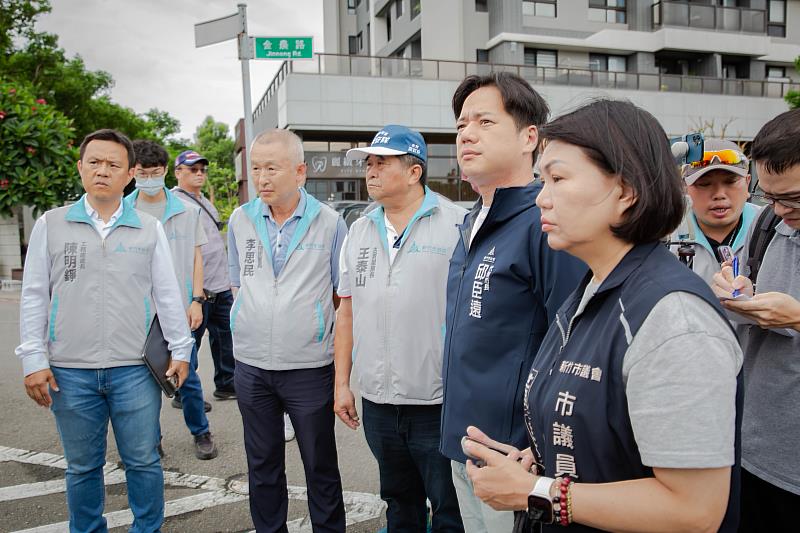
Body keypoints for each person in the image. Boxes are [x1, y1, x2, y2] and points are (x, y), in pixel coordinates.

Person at [464, 99, 743, 532]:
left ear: (626, 191)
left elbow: (694, 510)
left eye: (557, 178)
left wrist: (535, 492)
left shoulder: (675, 321)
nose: (541, 198)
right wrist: (536, 459)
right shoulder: (591, 289)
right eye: (542, 180)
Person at [15, 129, 195, 532]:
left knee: (143, 461)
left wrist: (181, 349)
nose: (102, 171)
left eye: (113, 165)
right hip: (69, 373)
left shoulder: (148, 229)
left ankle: (147, 528)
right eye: (94, 162)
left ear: (129, 174)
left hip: (134, 370)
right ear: (80, 168)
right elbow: (33, 297)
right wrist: (33, 359)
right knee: (82, 467)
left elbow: (168, 294)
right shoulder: (52, 224)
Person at [440, 72, 587, 532]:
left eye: (485, 121)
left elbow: (573, 344)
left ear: (530, 138)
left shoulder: (544, 223)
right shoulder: (473, 221)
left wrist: (538, 447)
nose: (467, 133)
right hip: (463, 444)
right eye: (462, 124)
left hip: (514, 458)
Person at [334, 125, 466, 532]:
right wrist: (342, 383)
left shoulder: (457, 223)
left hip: (437, 400)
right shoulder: (359, 230)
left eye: (381, 162)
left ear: (414, 171)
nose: (370, 171)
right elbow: (347, 311)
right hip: (378, 401)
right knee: (398, 502)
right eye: (368, 163)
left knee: (449, 508)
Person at [228, 129, 348, 532]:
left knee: (319, 464)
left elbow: (338, 294)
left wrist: (309, 325)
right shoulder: (241, 220)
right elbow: (237, 283)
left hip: (310, 367)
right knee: (261, 464)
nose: (262, 178)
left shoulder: (330, 223)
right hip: (251, 366)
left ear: (299, 172)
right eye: (256, 168)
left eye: (272, 168)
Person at [711, 108, 800, 531]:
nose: (781, 210)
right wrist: (737, 292)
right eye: (770, 196)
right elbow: (745, 280)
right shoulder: (767, 225)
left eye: (794, 198)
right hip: (752, 451)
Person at [127, 140, 218, 460]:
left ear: (165, 171)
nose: (148, 178)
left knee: (187, 375)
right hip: (137, 312)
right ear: (131, 173)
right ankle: (151, 439)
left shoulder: (187, 211)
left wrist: (196, 299)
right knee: (141, 380)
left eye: (154, 172)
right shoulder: (125, 210)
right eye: (141, 173)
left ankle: (201, 431)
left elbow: (196, 258)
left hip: (180, 308)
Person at [173, 150, 238, 400]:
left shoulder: (203, 200)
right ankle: (184, 394)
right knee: (191, 342)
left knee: (224, 338)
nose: (199, 174)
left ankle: (226, 383)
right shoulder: (176, 203)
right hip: (197, 288)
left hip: (220, 284)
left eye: (202, 170)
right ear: (178, 172)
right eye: (192, 169)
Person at [669, 138, 760, 283]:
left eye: (730, 182)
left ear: (747, 183)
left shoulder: (772, 227)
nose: (719, 194)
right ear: (685, 188)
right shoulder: (667, 233)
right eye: (704, 184)